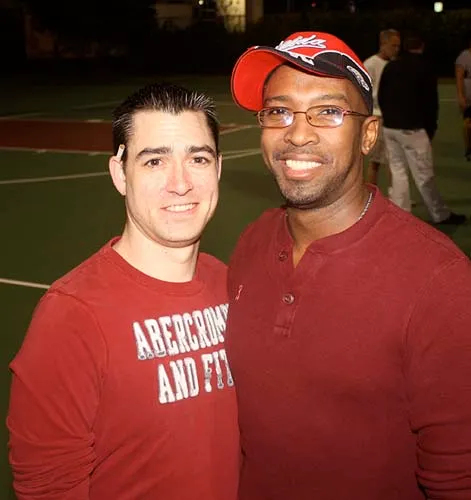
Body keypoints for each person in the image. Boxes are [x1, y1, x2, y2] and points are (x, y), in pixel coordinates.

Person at [226, 31, 471, 500]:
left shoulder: (440, 282)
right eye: (278, 111)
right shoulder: (252, 241)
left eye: (328, 112)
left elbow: (457, 477)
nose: (298, 134)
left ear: (368, 135)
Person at [7, 82, 239, 500]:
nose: (181, 183)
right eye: (155, 161)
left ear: (218, 168)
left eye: (198, 159)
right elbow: (48, 489)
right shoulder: (70, 318)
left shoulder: (229, 284)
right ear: (119, 173)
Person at [378, 33, 466, 225]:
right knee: (424, 175)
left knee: (398, 172)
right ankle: (439, 214)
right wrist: (430, 128)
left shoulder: (391, 66)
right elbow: (430, 103)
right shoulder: (425, 68)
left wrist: (388, 118)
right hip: (412, 129)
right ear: (422, 47)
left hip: (390, 127)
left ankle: (400, 213)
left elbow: (381, 95)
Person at [363, 29, 401, 186]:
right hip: (378, 117)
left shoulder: (395, 64)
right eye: (393, 45)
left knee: (395, 161)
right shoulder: (370, 64)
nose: (396, 49)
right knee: (375, 162)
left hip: (393, 118)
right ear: (383, 44)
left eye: (398, 46)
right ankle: (371, 194)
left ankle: (396, 195)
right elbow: (364, 92)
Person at [455, 33, 471, 161]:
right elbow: (459, 76)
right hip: (469, 94)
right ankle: (469, 148)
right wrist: (460, 95)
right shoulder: (464, 56)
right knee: (468, 124)